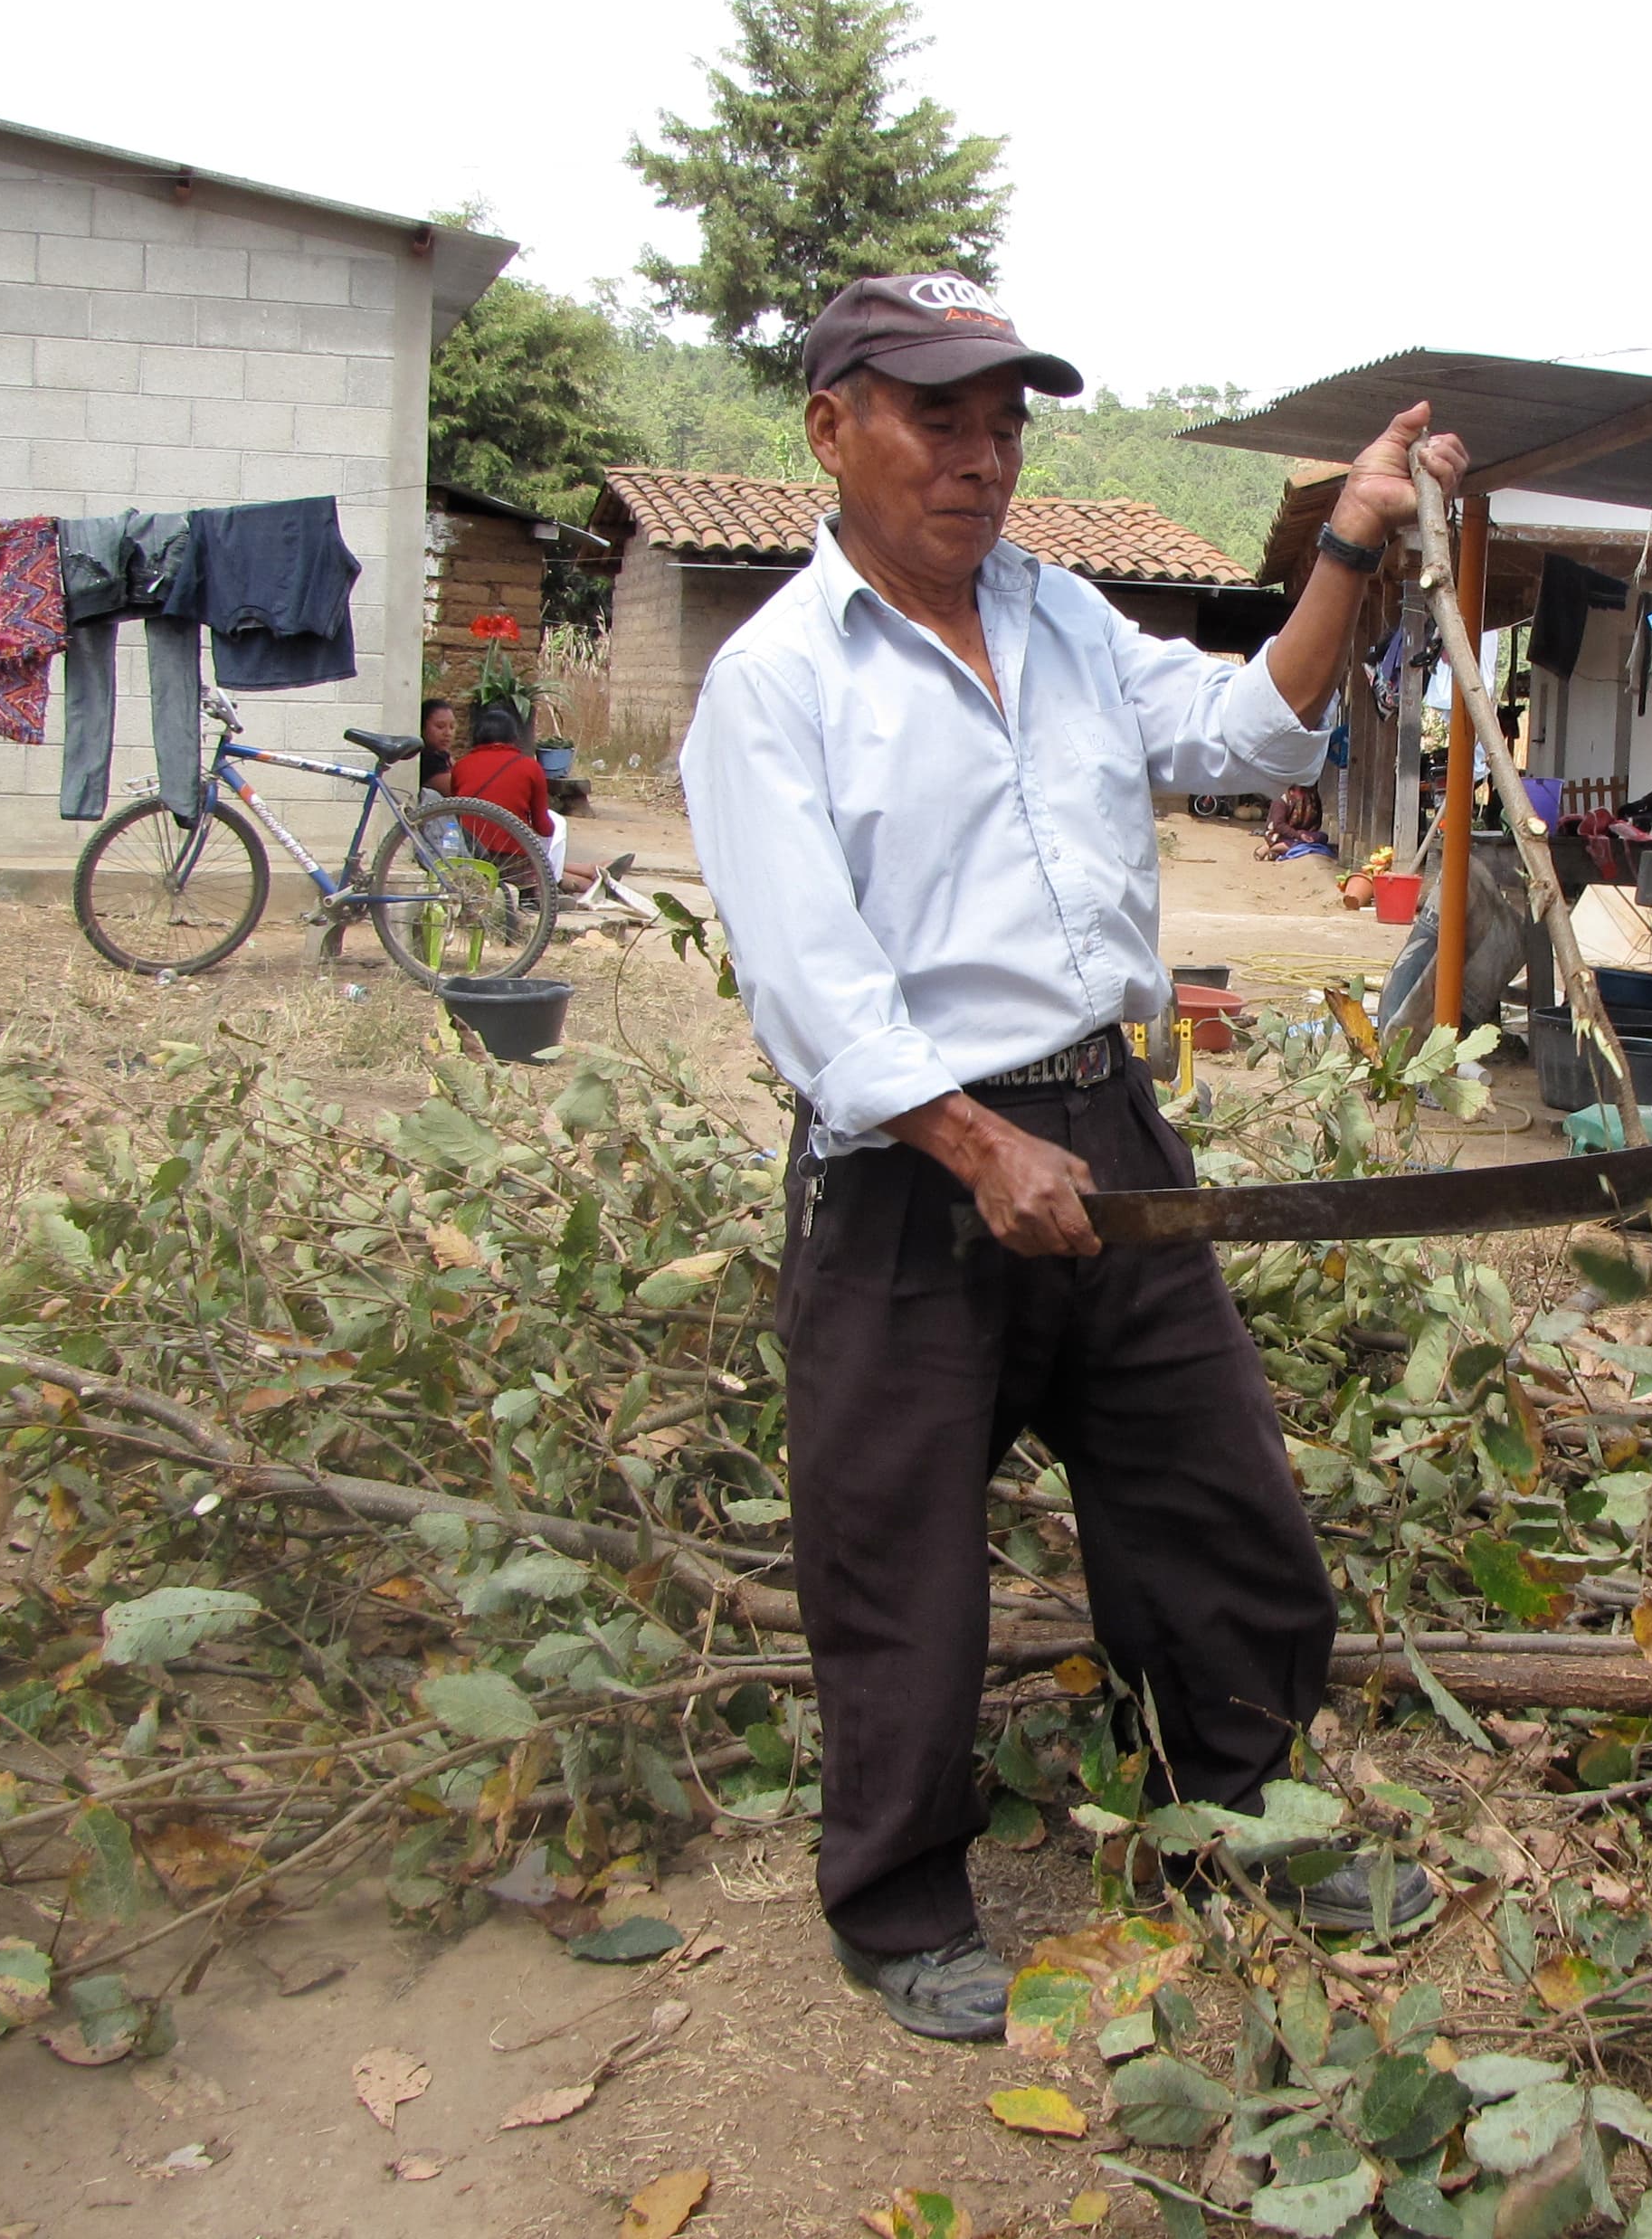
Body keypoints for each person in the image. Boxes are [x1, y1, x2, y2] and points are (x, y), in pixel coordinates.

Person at [680, 273, 1468, 2043]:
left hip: (1104, 1126)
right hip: (908, 1172)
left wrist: (1346, 542)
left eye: (1004, 422)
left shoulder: (1066, 624)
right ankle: (896, 1903)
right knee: (900, 1564)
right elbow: (817, 992)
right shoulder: (777, 684)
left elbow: (1251, 729)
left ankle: (1239, 1810)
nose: (981, 457)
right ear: (831, 426)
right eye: (937, 417)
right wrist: (972, 1145)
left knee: (1213, 1497)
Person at [443, 705, 634, 897]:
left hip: (472, 857)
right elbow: (544, 828)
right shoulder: (530, 767)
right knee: (555, 829)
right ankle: (593, 879)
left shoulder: (461, 767)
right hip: (515, 866)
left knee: (539, 856)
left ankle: (593, 875)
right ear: (514, 736)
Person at [416, 697, 459, 798]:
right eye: (440, 726)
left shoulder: (443, 754)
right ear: (422, 727)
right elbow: (459, 792)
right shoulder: (428, 761)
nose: (448, 733)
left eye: (452, 727)